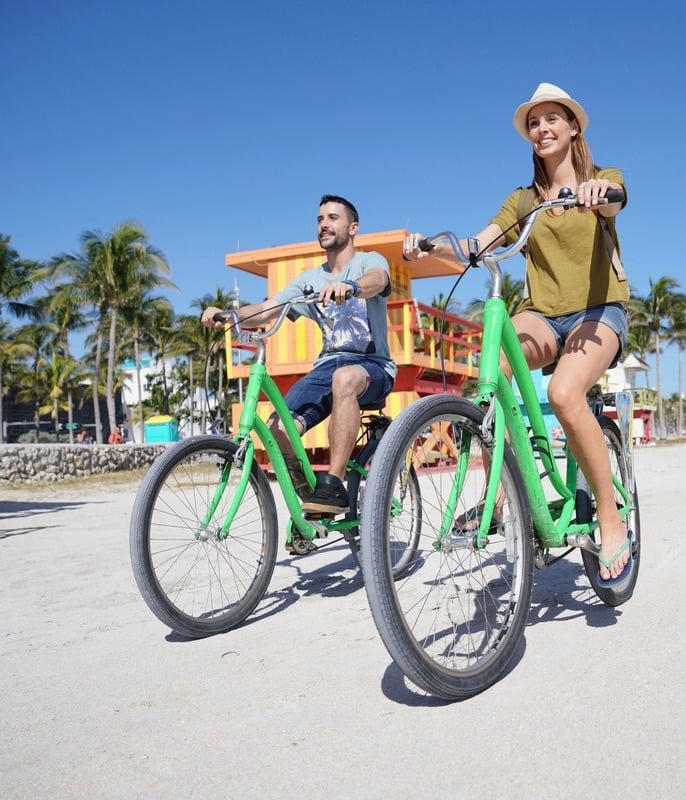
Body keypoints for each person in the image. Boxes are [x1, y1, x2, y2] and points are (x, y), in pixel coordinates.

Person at [403, 83, 631, 587]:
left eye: (553, 119)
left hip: (600, 310)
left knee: (564, 392)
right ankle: (501, 494)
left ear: (573, 128)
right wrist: (430, 248)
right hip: (544, 315)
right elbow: (475, 245)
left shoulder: (602, 179)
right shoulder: (523, 200)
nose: (542, 128)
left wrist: (598, 196)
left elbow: (614, 201)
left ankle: (612, 526)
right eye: (534, 122)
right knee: (492, 378)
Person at [202, 194, 396, 516]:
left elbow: (378, 281)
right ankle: (308, 500)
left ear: (353, 227)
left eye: (333, 218)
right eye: (320, 219)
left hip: (372, 366)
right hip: (326, 367)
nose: (324, 224)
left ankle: (333, 485)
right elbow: (267, 309)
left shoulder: (369, 262)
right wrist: (229, 314)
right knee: (278, 427)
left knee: (344, 377)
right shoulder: (309, 281)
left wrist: (351, 286)